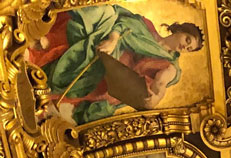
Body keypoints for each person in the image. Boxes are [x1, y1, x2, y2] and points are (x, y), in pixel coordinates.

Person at [28, 5, 204, 125]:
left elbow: (161, 84)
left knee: (93, 59)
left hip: (112, 75)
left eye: (189, 49)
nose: (185, 47)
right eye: (187, 40)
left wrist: (156, 98)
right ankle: (46, 43)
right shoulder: (147, 26)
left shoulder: (171, 66)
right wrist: (113, 40)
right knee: (104, 19)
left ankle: (46, 74)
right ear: (180, 30)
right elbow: (122, 23)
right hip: (107, 48)